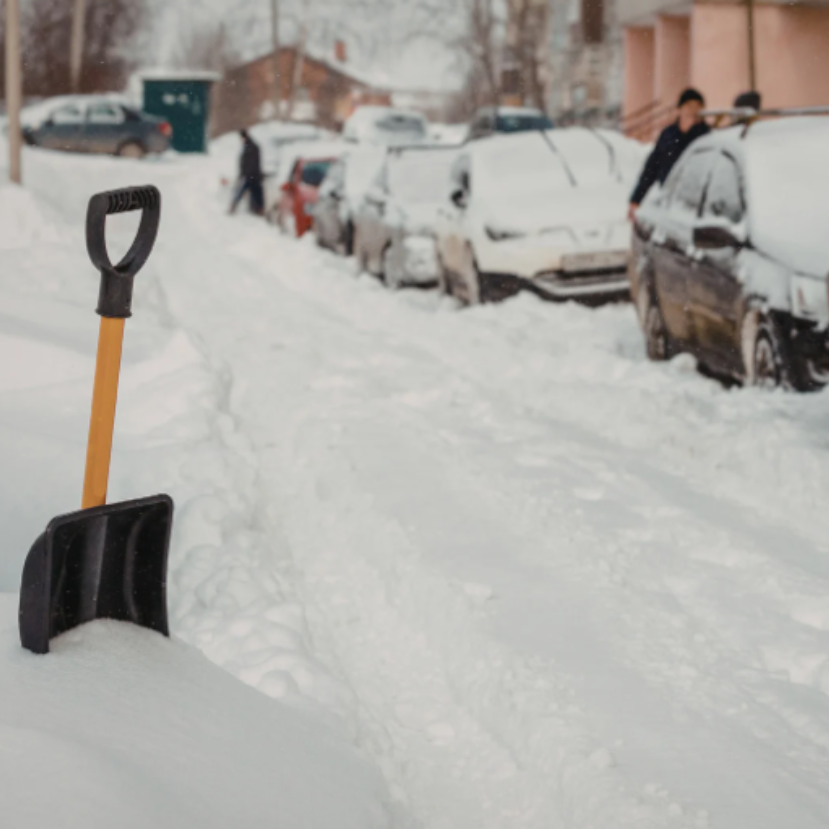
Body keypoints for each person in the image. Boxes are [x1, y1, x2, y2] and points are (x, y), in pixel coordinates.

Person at [628, 88, 710, 220]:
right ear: (680, 109)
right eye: (689, 106)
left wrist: (693, 131)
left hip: (695, 204)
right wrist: (636, 200)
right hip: (668, 200)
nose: (693, 111)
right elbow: (651, 168)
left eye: (698, 107)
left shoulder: (706, 136)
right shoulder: (668, 134)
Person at [229, 130, 264, 216]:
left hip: (251, 175)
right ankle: (258, 209)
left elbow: (251, 163)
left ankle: (234, 206)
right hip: (252, 175)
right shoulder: (249, 146)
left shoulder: (251, 147)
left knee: (249, 192)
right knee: (256, 193)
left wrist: (245, 173)